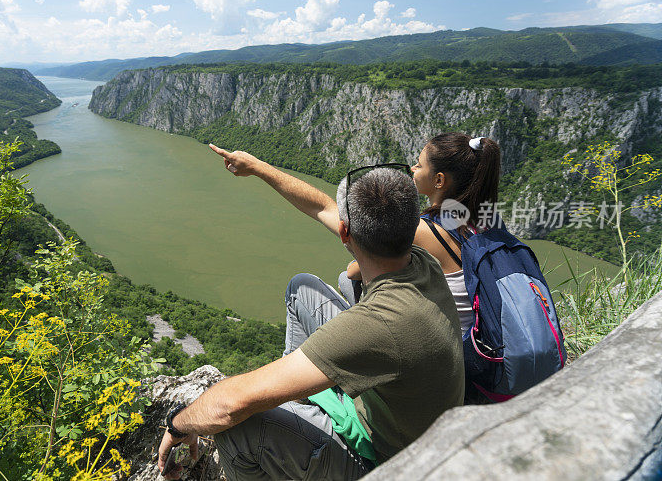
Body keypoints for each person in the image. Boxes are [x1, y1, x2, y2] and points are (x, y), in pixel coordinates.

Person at [156, 145, 465, 480]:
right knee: (301, 288)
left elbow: (231, 405)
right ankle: (298, 398)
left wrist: (177, 422)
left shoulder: (378, 323)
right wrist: (258, 166)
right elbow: (320, 206)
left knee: (237, 428)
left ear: (346, 233)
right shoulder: (421, 257)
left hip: (389, 461)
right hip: (404, 415)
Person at [340, 132, 501, 335]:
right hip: (484, 335)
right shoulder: (488, 220)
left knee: (342, 279)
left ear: (439, 180)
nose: (413, 169)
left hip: (455, 348)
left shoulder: (425, 230)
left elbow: (353, 272)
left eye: (419, 165)